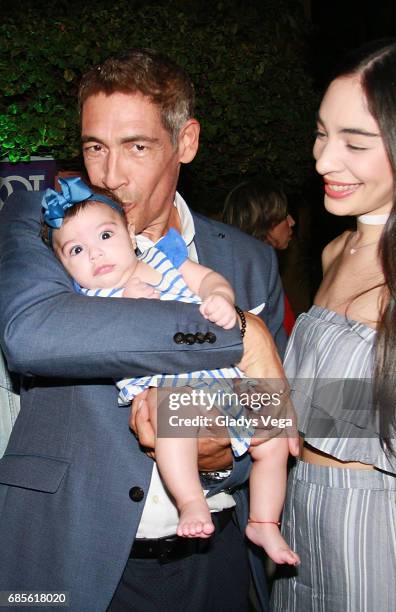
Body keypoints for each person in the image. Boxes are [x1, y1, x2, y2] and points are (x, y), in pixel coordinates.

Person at [0, 48, 293, 612]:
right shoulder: (46, 221)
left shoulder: (250, 261)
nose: (108, 174)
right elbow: (35, 333)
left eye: (136, 146)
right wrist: (236, 336)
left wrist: (223, 454)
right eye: (94, 147)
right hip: (73, 558)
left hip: (215, 565)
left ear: (185, 143)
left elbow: (279, 409)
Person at [40, 176, 300, 563]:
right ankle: (191, 500)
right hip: (165, 386)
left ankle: (264, 521)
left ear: (130, 232)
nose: (96, 255)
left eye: (106, 236)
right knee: (173, 420)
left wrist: (219, 297)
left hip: (221, 377)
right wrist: (130, 308)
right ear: (62, 265)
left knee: (274, 438)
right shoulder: (89, 299)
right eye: (77, 249)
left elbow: (207, 278)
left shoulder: (163, 260)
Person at [271, 38, 396, 612]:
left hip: (372, 522)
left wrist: (190, 412)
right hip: (296, 510)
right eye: (323, 133)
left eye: (355, 141)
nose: (324, 160)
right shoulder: (334, 251)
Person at [223, 178, 296, 333]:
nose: (292, 222)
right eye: (284, 216)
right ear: (264, 222)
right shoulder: (251, 281)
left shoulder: (252, 271)